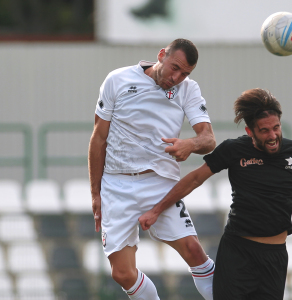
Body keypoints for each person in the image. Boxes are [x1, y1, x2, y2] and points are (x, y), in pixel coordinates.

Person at [88, 38, 216, 300]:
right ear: (161, 55)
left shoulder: (188, 90)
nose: (177, 77)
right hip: (116, 184)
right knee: (122, 274)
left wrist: (190, 144)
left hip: (160, 183)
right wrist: (95, 193)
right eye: (175, 67)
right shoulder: (117, 79)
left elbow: (209, 140)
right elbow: (98, 138)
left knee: (193, 250)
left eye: (185, 73)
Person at [139, 88, 292, 300]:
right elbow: (194, 179)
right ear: (250, 132)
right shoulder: (234, 150)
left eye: (276, 128)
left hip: (274, 257)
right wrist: (156, 210)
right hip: (238, 251)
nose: (273, 135)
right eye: (265, 130)